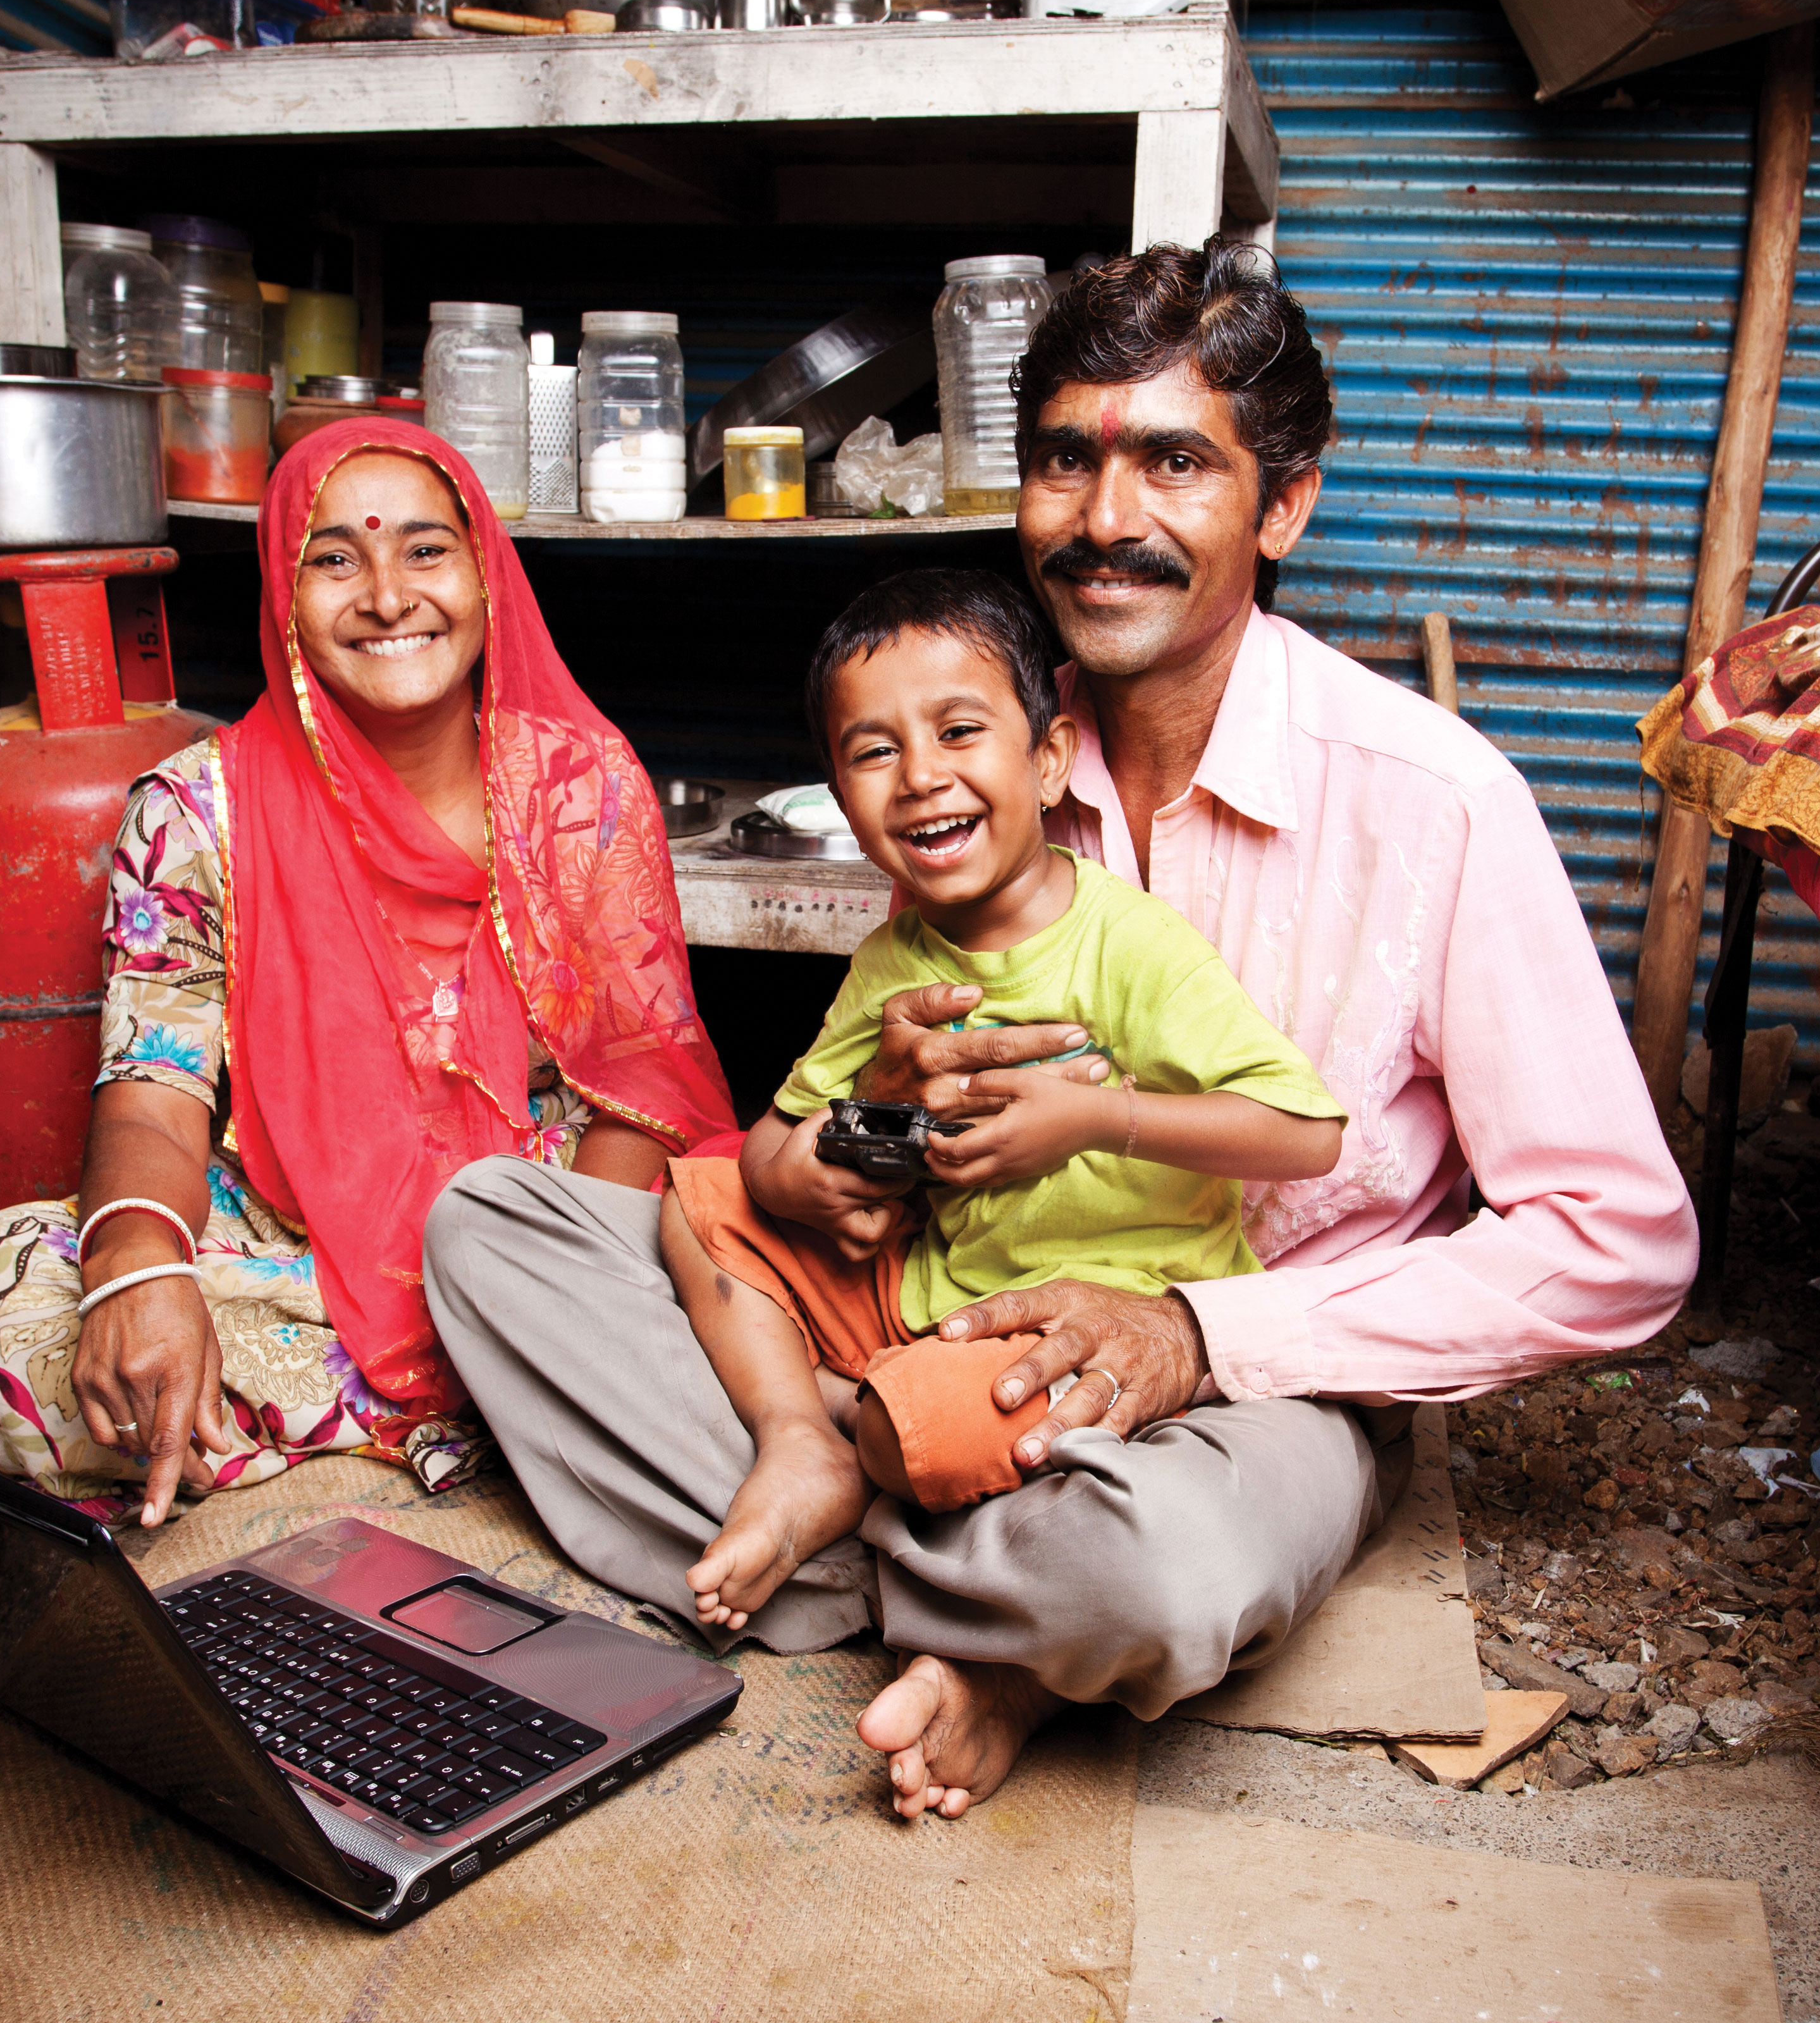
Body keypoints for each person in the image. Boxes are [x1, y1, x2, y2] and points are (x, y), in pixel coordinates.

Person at [426, 244, 1695, 1818]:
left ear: (1280, 508)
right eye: (1065, 462)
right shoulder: (966, 757)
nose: (1107, 520)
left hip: (1242, 1400)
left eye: (1174, 462)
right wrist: (845, 1148)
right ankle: (964, 1576)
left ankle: (942, 1589)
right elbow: (823, 1120)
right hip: (923, 1307)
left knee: (1168, 1563)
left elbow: (1620, 1238)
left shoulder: (1432, 806)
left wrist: (1205, 1339)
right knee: (499, 1227)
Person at [0, 419, 732, 1526]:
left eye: (427, 552)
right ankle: (478, 1413)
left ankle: (435, 1396)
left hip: (539, 1212)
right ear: (283, 597)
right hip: (291, 1228)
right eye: (335, 558)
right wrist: (144, 1272)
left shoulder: (578, 787)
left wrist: (546, 1280)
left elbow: (647, 1080)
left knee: (741, 1249)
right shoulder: (194, 810)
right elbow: (153, 1087)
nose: (388, 596)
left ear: (488, 579)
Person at [663, 569, 1345, 1630]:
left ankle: (872, 1442)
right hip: (939, 1286)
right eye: (875, 752)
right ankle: (805, 1437)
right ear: (840, 801)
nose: (922, 777)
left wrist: (1096, 1118)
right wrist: (815, 1171)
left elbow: (1307, 1134)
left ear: (1049, 759)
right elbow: (769, 1149)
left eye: (960, 731)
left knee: (907, 1431)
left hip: (1099, 1314)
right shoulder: (894, 959)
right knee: (695, 1198)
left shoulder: (1127, 943)